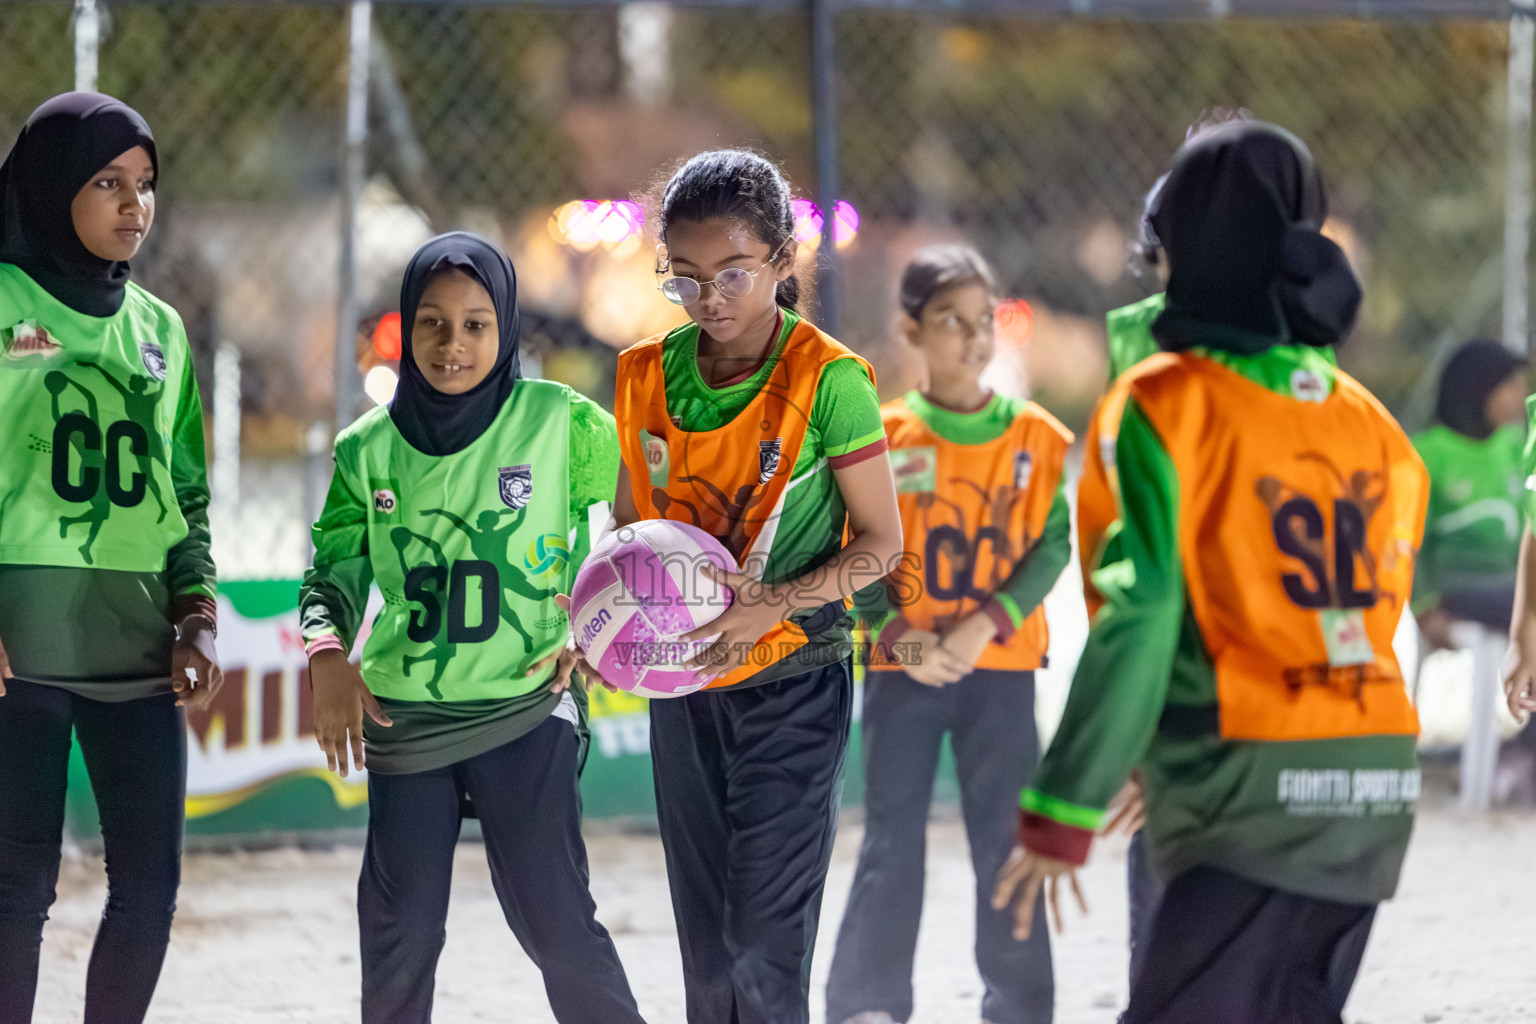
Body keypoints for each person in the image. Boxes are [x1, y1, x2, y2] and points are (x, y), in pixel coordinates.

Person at [994, 121, 1429, 1024]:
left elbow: (1141, 614)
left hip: (1247, 782)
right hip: (1376, 783)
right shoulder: (1373, 424)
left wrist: (1063, 804)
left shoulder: (1163, 400)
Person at [575, 149, 902, 1024]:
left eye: (732, 273)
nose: (708, 298)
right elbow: (628, 537)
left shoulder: (829, 381)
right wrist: (604, 628)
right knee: (709, 953)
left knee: (764, 944)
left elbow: (882, 545)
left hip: (794, 681)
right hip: (684, 689)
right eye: (683, 277)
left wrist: (776, 603)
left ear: (784, 259)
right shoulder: (645, 375)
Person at [300, 232, 646, 1024]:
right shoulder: (366, 450)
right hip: (406, 713)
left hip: (526, 702)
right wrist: (327, 653)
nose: (452, 343)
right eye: (432, 322)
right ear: (406, 327)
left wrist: (600, 628)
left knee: (556, 922)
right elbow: (333, 574)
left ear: (507, 327)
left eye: (476, 325)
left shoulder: (562, 422)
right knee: (401, 931)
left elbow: (637, 527)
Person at [0, 92, 222, 1024]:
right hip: (21, 648)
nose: (136, 204)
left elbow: (187, 495)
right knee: (15, 890)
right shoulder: (4, 301)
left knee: (149, 886)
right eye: (107, 182)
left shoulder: (160, 329)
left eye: (146, 183)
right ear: (52, 187)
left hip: (136, 647)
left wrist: (197, 615)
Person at [823, 244, 1070, 1024]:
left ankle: (1020, 1005)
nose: (972, 336)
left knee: (1006, 837)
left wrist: (986, 626)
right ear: (910, 330)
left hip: (1001, 666)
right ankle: (868, 1002)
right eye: (950, 320)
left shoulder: (1036, 436)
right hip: (906, 667)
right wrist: (900, 635)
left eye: (983, 319)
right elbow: (854, 549)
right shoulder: (885, 434)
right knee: (892, 836)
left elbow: (1052, 546)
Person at [1412, 338, 1526, 647]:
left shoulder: (1513, 447)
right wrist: (1423, 608)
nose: (1521, 393)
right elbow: (1407, 545)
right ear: (1479, 390)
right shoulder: (1428, 454)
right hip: (1457, 587)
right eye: (1509, 386)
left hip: (1510, 585)